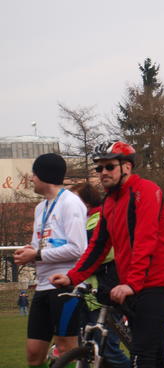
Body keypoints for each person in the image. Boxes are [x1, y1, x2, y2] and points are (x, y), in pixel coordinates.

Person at [50, 141, 164, 367]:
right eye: (99, 168)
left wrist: (131, 283)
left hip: (156, 283)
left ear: (127, 167)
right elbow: (98, 246)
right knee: (155, 356)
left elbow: (145, 241)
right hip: (132, 285)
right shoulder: (109, 202)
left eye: (109, 167)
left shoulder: (146, 191)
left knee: (141, 355)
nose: (103, 173)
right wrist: (72, 277)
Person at [13, 153, 88, 367]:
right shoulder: (41, 208)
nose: (32, 179)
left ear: (45, 175)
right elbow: (38, 247)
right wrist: (28, 254)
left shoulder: (71, 203)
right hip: (43, 286)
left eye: (34, 174)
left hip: (66, 285)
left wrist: (37, 255)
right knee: (34, 354)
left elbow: (78, 248)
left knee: (66, 349)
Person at [70, 182, 130, 368]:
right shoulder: (80, 222)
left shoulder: (99, 220)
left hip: (102, 292)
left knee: (108, 352)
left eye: (74, 200)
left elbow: (104, 254)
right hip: (84, 294)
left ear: (86, 202)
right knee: (85, 351)